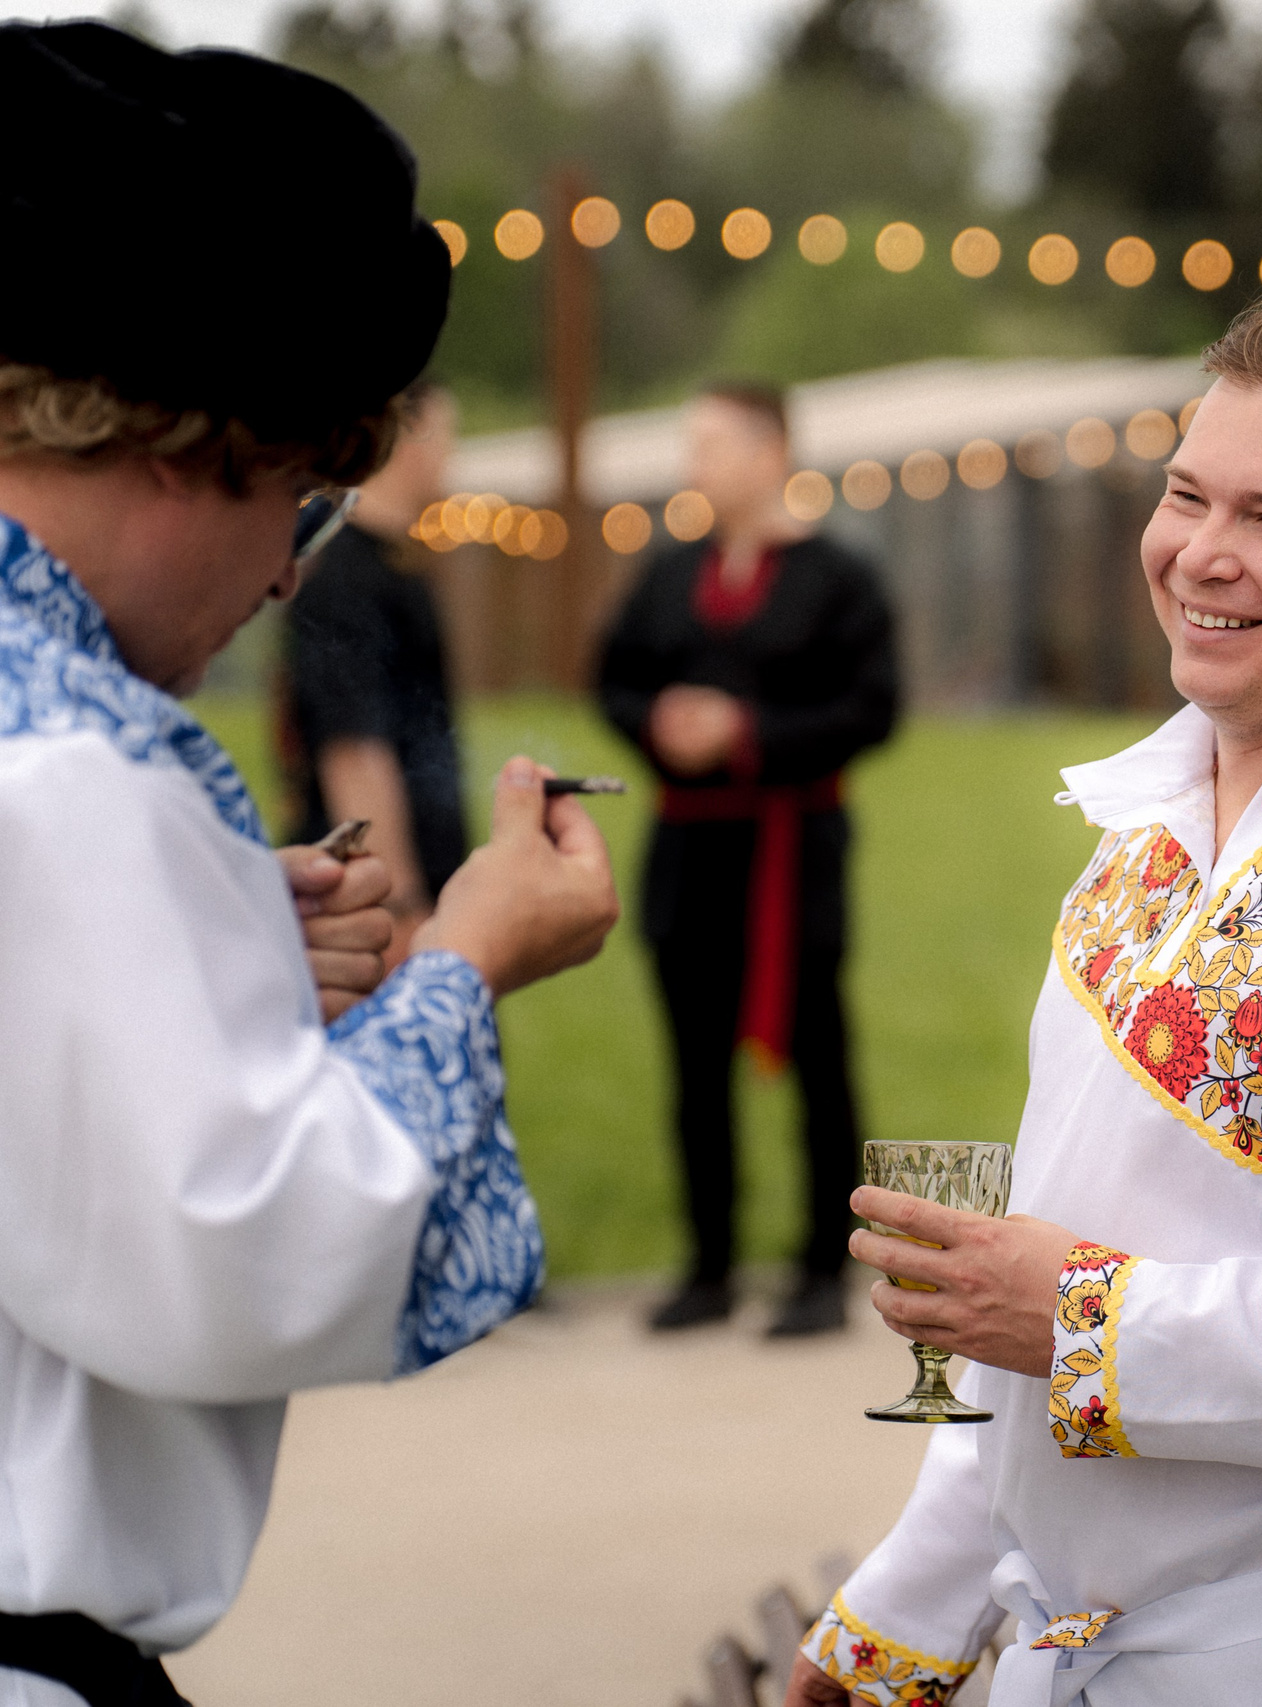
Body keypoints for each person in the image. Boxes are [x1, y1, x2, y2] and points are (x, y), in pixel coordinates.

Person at [0, 22, 620, 1707]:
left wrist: (209, 955)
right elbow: (243, 1251)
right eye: (300, 495)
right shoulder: (68, 764)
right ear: (184, 442)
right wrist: (461, 964)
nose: (286, 574)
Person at [784, 287, 1262, 1707]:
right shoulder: (1137, 837)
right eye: (1186, 494)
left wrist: (1081, 1314)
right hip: (1064, 1645)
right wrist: (897, 1618)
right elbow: (1027, 1310)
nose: (1200, 554)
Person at [598, 381, 901, 1337]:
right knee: (692, 1059)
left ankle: (821, 1268)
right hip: (689, 844)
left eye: (713, 445)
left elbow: (873, 706)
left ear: (771, 450)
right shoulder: (668, 571)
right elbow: (611, 677)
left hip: (792, 848)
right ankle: (709, 1265)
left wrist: (748, 729)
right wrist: (662, 722)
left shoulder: (838, 577)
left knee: (819, 1054)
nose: (696, 466)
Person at [281, 378, 466, 961]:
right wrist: (398, 906)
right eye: (447, 437)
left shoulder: (396, 565)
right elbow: (354, 749)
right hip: (367, 902)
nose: (450, 459)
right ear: (408, 437)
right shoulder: (346, 582)